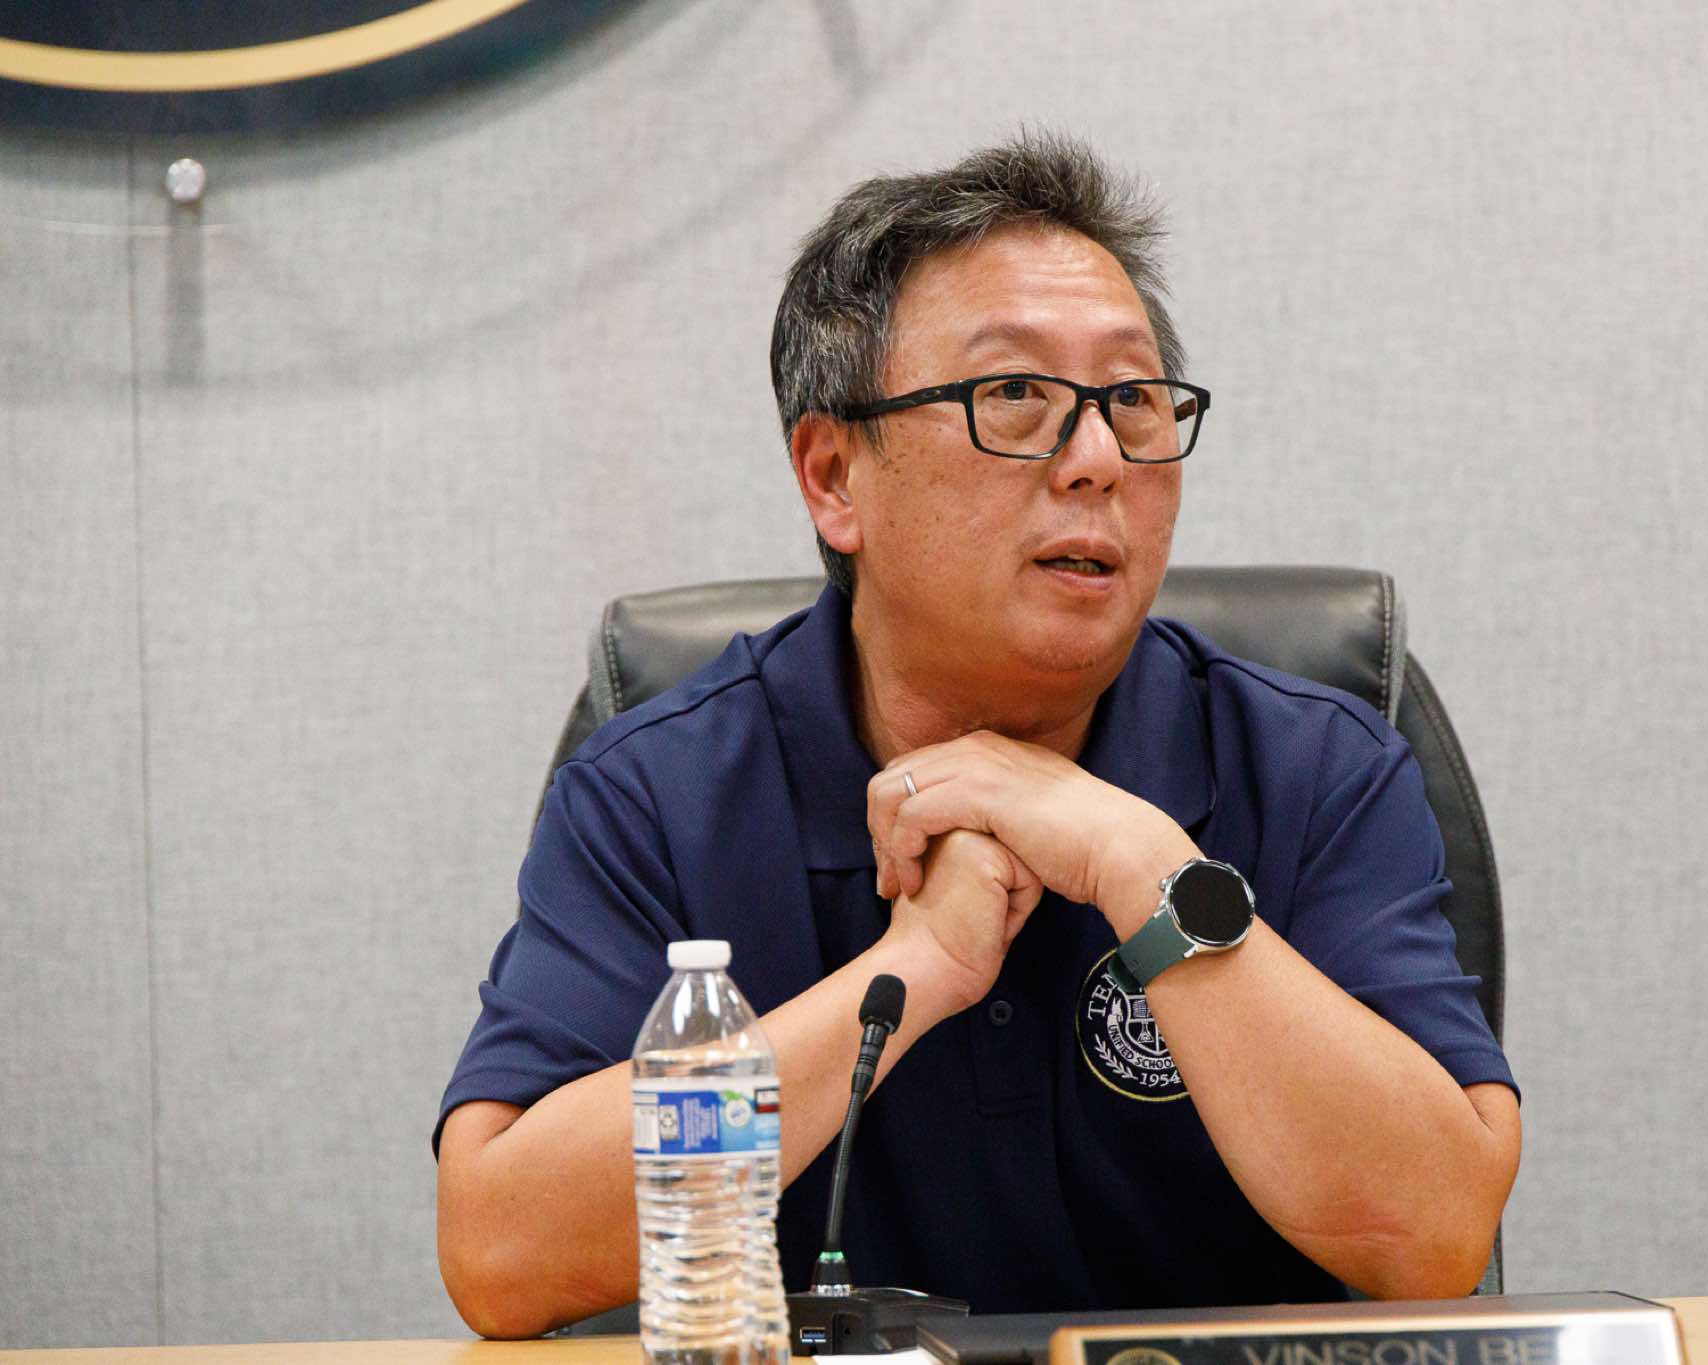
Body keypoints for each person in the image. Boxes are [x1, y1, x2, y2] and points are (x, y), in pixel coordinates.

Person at [435, 133, 1520, 1339]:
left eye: (1133, 400)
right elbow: (501, 1252)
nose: (1098, 460)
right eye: (1013, 397)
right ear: (833, 477)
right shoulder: (662, 790)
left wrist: (1140, 866)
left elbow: (1433, 1233)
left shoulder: (1313, 764)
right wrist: (913, 972)